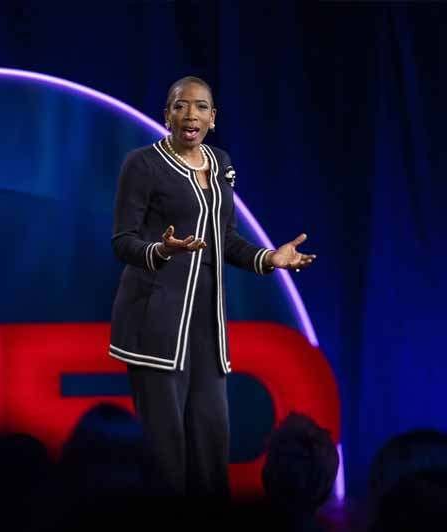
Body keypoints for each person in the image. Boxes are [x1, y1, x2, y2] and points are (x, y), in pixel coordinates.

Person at [108, 76, 315, 498]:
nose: (191, 115)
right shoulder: (142, 164)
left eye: (201, 107)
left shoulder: (220, 162)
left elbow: (227, 240)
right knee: (165, 458)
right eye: (181, 106)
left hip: (206, 329)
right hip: (155, 326)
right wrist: (161, 250)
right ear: (167, 115)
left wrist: (269, 259)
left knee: (211, 447)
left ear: (213, 117)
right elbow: (122, 242)